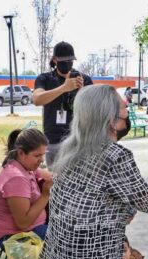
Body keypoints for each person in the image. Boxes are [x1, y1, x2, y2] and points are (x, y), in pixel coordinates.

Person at [41, 84, 148, 259]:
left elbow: (90, 201)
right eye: (124, 107)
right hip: (91, 257)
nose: (127, 110)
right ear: (111, 119)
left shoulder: (69, 148)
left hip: (58, 254)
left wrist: (125, 211)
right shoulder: (115, 157)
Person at [0, 128, 53, 251]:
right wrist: (45, 195)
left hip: (30, 231)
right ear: (21, 153)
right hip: (16, 238)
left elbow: (49, 176)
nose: (42, 160)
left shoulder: (23, 166)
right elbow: (23, 223)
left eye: (43, 154)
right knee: (71, 240)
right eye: (37, 155)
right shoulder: (16, 178)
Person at [33, 41, 93, 169]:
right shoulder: (45, 78)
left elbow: (92, 110)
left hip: (78, 140)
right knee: (55, 181)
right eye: (63, 61)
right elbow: (37, 99)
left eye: (70, 60)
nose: (67, 64)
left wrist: (81, 92)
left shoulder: (84, 79)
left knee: (78, 181)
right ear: (55, 60)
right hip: (53, 140)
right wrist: (63, 88)